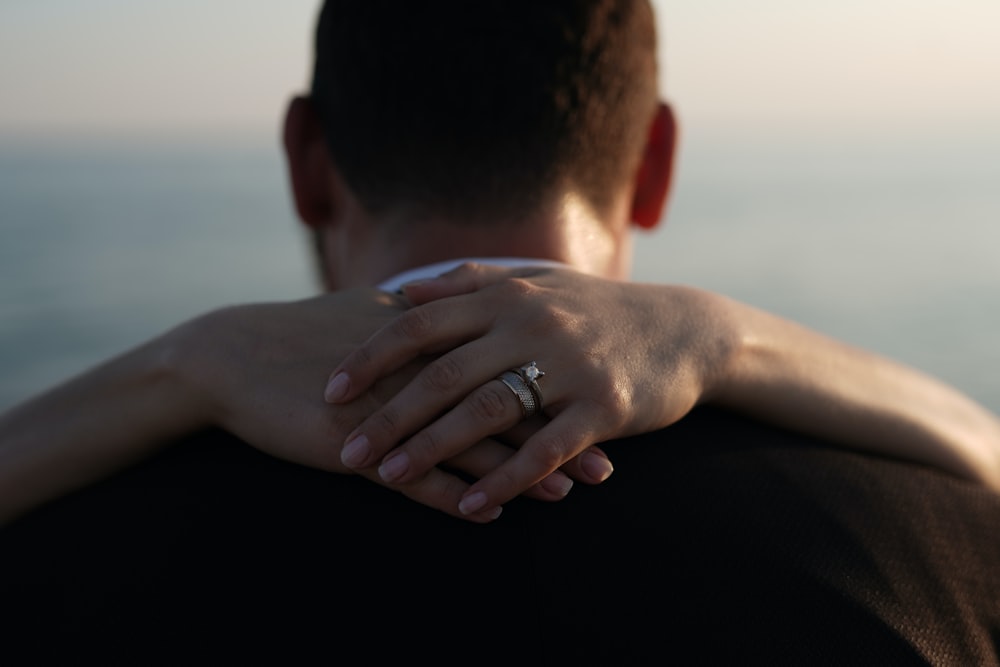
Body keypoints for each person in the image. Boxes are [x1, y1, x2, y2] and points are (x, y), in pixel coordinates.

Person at [1, 0, 999, 663]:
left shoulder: (54, 553)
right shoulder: (942, 553)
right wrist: (730, 339)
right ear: (654, 161)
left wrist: (181, 361)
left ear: (307, 161)